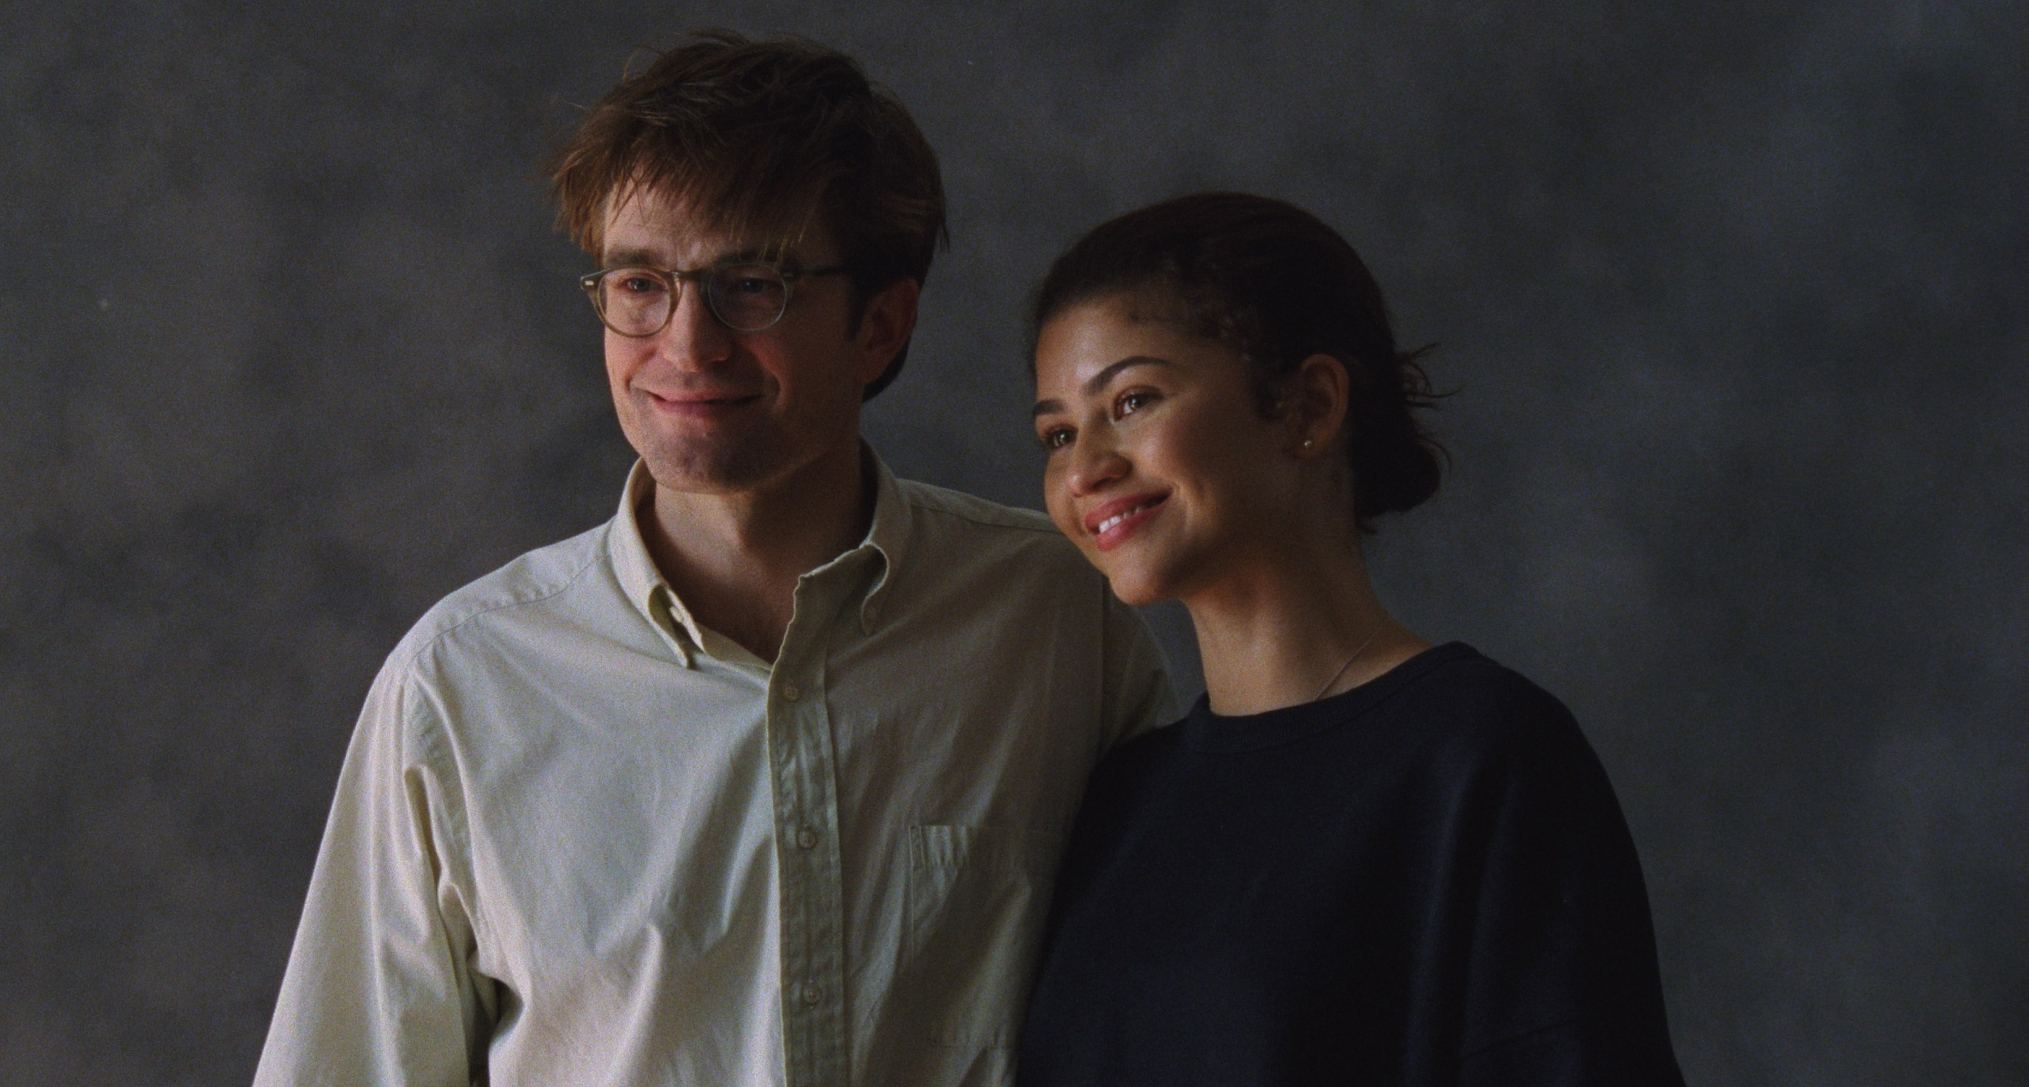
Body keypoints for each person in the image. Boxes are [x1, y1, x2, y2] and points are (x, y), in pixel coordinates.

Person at [253, 31, 1171, 1087]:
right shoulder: (459, 685)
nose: (686, 347)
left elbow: (1180, 1005)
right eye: (640, 283)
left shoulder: (1052, 622)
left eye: (751, 284)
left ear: (880, 325)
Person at [1016, 193, 1684, 1086]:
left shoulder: (1482, 759)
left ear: (1308, 404)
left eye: (1131, 400)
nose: (1084, 468)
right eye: (1058, 433)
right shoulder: (1118, 799)